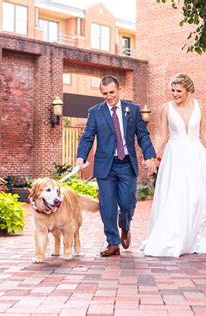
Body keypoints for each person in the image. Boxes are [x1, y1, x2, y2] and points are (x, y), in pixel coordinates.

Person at [140, 73, 206, 257]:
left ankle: (205, 237)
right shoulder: (166, 108)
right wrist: (150, 155)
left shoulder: (199, 106)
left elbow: (205, 133)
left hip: (197, 155)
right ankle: (176, 238)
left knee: (202, 195)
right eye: (172, 90)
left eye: (179, 91)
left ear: (189, 90)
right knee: (177, 196)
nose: (175, 94)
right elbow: (160, 135)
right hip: (175, 156)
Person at [76, 75, 156, 257]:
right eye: (104, 93)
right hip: (106, 166)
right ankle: (113, 242)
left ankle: (125, 225)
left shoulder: (133, 110)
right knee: (107, 205)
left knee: (128, 202)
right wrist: (81, 156)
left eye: (111, 92)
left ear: (119, 89)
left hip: (127, 163)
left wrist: (149, 155)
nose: (108, 96)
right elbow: (87, 136)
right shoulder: (95, 112)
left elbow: (142, 135)